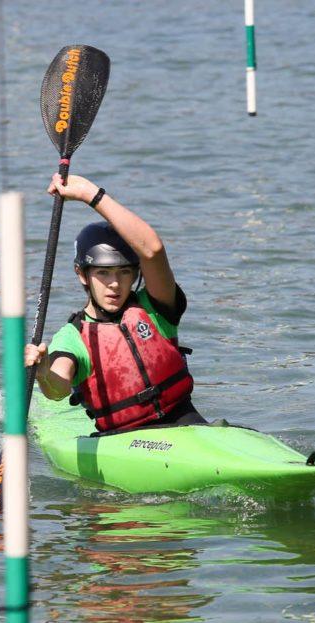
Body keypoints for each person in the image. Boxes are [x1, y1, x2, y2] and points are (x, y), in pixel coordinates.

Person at [25, 173, 206, 434]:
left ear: (135, 273)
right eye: (103, 273)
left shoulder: (156, 308)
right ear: (82, 274)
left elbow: (152, 250)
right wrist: (43, 373)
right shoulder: (73, 335)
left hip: (185, 420)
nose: (114, 284)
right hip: (121, 439)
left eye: (124, 272)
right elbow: (58, 387)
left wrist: (91, 194)